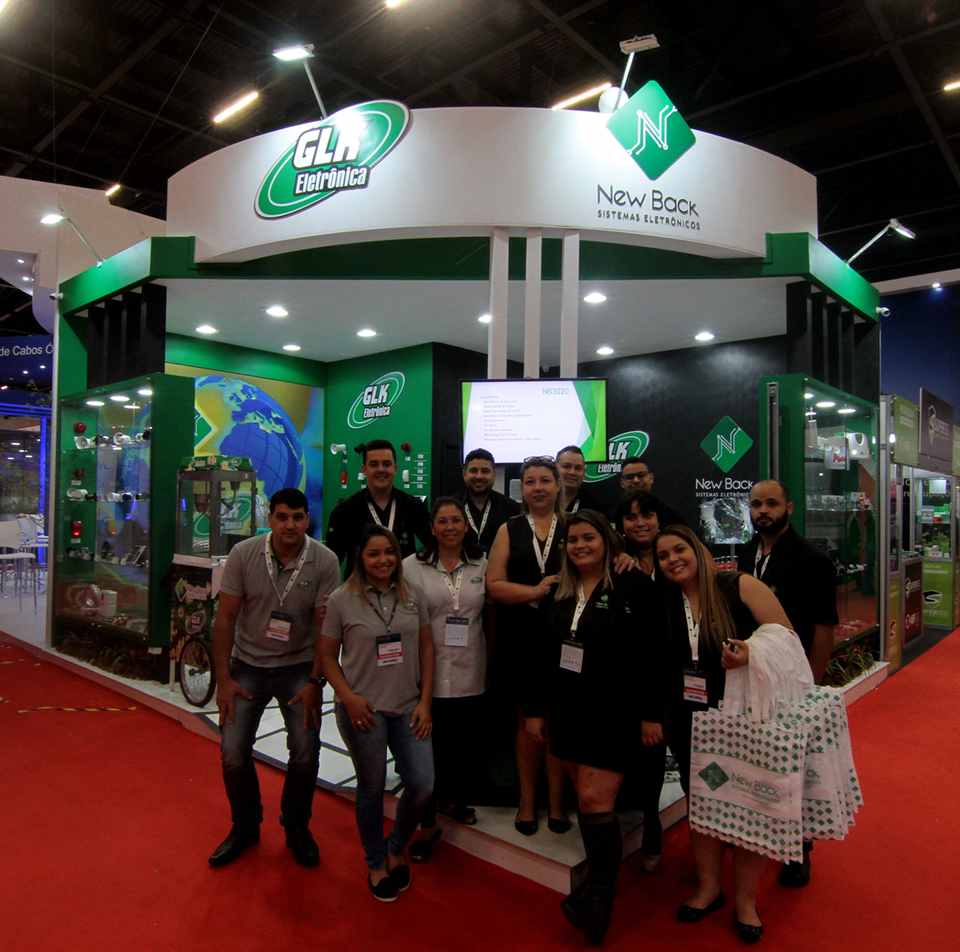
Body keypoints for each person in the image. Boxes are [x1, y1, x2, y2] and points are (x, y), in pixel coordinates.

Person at [524, 510, 665, 945]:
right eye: (573, 540)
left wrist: (652, 713)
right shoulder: (557, 590)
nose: (580, 546)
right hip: (567, 710)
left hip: (614, 711)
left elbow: (655, 654)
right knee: (586, 802)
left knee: (593, 798)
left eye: (589, 538)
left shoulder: (632, 584)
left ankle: (599, 900)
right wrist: (535, 710)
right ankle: (594, 887)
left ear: (606, 541)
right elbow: (541, 655)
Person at [656, 523, 793, 944]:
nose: (672, 559)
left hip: (743, 716)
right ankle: (709, 887)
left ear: (697, 548)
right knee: (702, 799)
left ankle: (746, 902)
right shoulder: (664, 599)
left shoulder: (738, 585)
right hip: (691, 721)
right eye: (663, 555)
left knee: (748, 802)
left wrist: (752, 653)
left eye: (679, 549)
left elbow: (785, 636)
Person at [209, 488, 341, 869]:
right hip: (247, 665)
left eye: (298, 517)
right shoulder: (243, 554)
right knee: (233, 753)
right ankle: (245, 826)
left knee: (305, 752)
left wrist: (315, 683)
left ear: (307, 520)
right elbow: (225, 619)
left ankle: (296, 826)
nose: (290, 525)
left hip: (299, 666)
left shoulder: (325, 561)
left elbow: (326, 630)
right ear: (269, 518)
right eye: (282, 517)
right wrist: (223, 680)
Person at [319, 526, 435, 902]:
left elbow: (427, 649)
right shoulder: (341, 599)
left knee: (422, 784)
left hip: (408, 706)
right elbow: (326, 656)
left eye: (389, 552)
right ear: (360, 558)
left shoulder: (413, 595)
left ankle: (395, 846)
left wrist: (425, 702)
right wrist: (347, 697)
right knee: (371, 788)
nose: (383, 560)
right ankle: (375, 862)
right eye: (374, 554)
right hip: (364, 710)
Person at [737, 478, 839, 888]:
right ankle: (757, 832)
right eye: (756, 504)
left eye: (771, 504)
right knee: (762, 761)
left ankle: (799, 848)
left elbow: (825, 627)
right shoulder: (745, 553)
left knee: (797, 765)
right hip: (753, 674)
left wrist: (812, 684)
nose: (763, 511)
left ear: (789, 508)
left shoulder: (813, 560)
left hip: (795, 679)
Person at [487, 456, 569, 835]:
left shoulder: (574, 526)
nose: (538, 488)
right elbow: (494, 585)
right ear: (523, 489)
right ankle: (527, 801)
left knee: (557, 721)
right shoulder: (510, 528)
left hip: (566, 639)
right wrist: (535, 592)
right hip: (520, 637)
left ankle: (557, 803)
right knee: (526, 723)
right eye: (531, 481)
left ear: (557, 486)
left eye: (545, 481)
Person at [404, 497, 487, 860]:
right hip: (427, 672)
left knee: (462, 745)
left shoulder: (483, 564)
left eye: (456, 520)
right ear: (432, 528)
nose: (450, 527)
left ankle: (456, 800)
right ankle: (427, 822)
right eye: (443, 521)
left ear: (466, 527)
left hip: (471, 669)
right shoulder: (411, 567)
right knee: (428, 750)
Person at [611, 491, 669, 870]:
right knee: (637, 757)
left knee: (660, 756)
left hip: (675, 673)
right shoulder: (617, 563)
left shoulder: (676, 555)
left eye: (646, 515)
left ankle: (653, 824)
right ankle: (640, 821)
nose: (639, 523)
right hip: (632, 678)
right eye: (631, 518)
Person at [326, 439, 432, 576]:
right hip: (361, 587)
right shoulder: (344, 511)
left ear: (395, 468)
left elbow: (433, 546)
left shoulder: (413, 506)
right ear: (364, 469)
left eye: (386, 464)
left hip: (402, 585)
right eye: (374, 464)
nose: (381, 469)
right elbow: (332, 563)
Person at [459, 447, 521, 553]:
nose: (479, 476)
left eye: (485, 471)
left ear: (494, 475)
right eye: (473, 471)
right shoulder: (453, 506)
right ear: (464, 474)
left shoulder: (511, 508)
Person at [557, 445, 603, 514]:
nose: (572, 472)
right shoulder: (544, 497)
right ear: (555, 468)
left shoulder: (595, 505)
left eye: (578, 468)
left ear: (584, 472)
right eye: (566, 466)